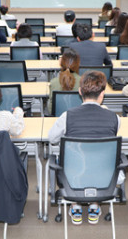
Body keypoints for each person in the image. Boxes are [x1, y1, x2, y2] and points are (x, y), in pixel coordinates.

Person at [48, 71, 121, 225]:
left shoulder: (67, 116)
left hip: (73, 176)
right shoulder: (115, 118)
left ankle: (75, 206)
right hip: (104, 176)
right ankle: (95, 205)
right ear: (102, 94)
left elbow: (52, 139)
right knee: (99, 159)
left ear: (80, 91)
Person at [47, 48, 81, 112]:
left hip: (58, 117)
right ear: (77, 64)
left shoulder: (53, 82)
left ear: (61, 63)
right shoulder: (83, 82)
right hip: (78, 117)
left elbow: (50, 109)